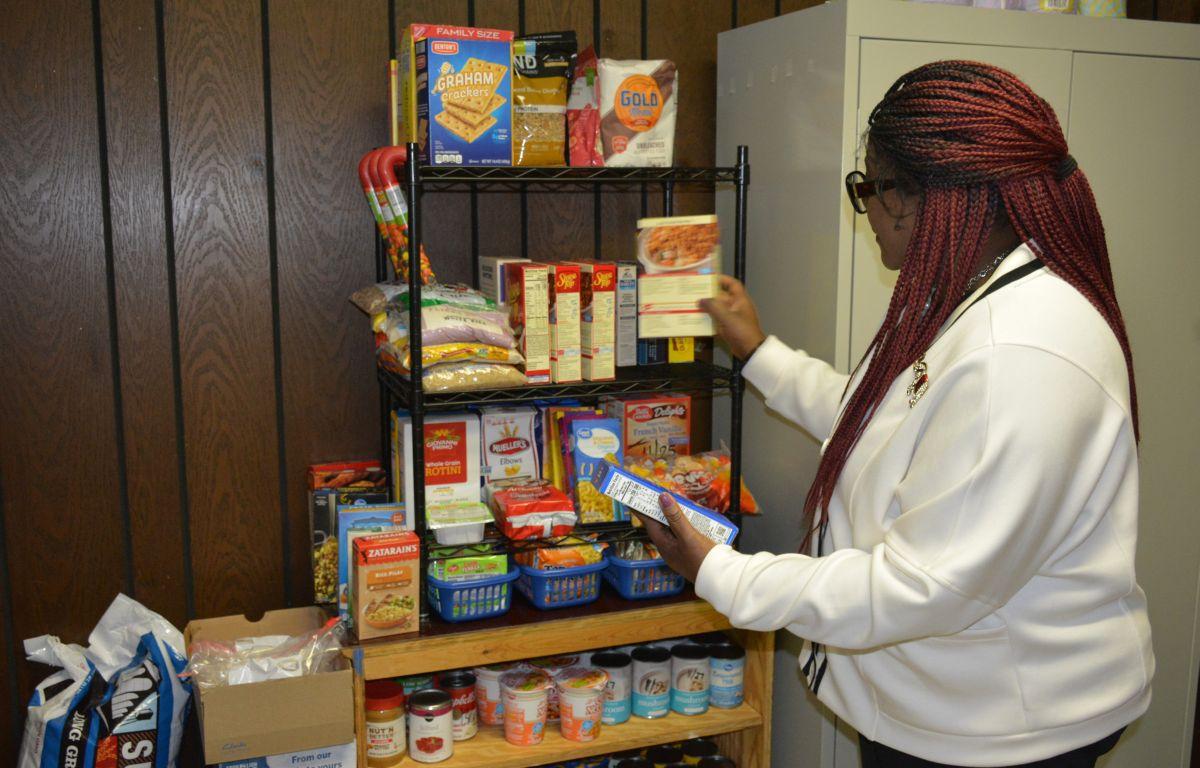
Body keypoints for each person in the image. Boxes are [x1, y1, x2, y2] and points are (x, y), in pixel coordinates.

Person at [635, 61, 1154, 768]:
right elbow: (892, 422)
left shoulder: (1021, 352)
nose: (868, 211)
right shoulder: (986, 296)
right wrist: (758, 354)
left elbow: (926, 586)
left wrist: (724, 574)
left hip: (1001, 729)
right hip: (954, 701)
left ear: (919, 198)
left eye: (868, 189)